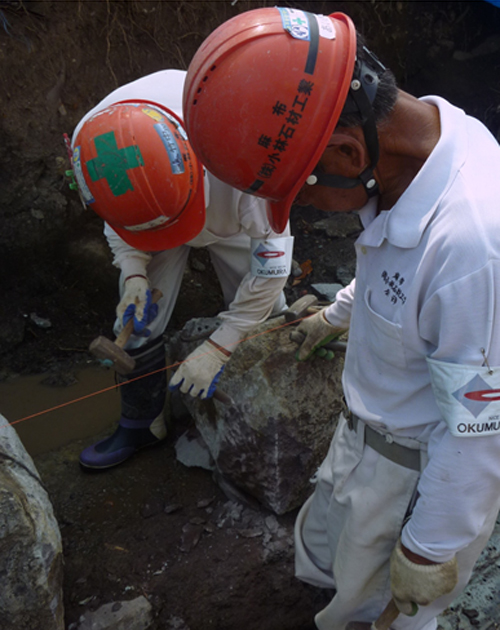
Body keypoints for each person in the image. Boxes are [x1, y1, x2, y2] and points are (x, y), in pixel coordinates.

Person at [181, 7, 500, 630]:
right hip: (363, 438)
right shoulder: (420, 154)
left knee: (383, 611)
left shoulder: (474, 247)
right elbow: (397, 272)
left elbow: (478, 432)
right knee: (333, 565)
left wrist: (426, 550)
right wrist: (337, 314)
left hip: (412, 479)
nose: (303, 211)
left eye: (301, 192)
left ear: (350, 151)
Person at [69, 69, 292, 470]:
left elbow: (271, 268)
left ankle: (262, 421)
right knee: (137, 317)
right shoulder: (94, 142)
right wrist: (135, 270)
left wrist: (222, 343)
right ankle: (141, 423)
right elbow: (117, 215)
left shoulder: (243, 153)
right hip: (151, 214)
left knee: (266, 315)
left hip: (230, 214)